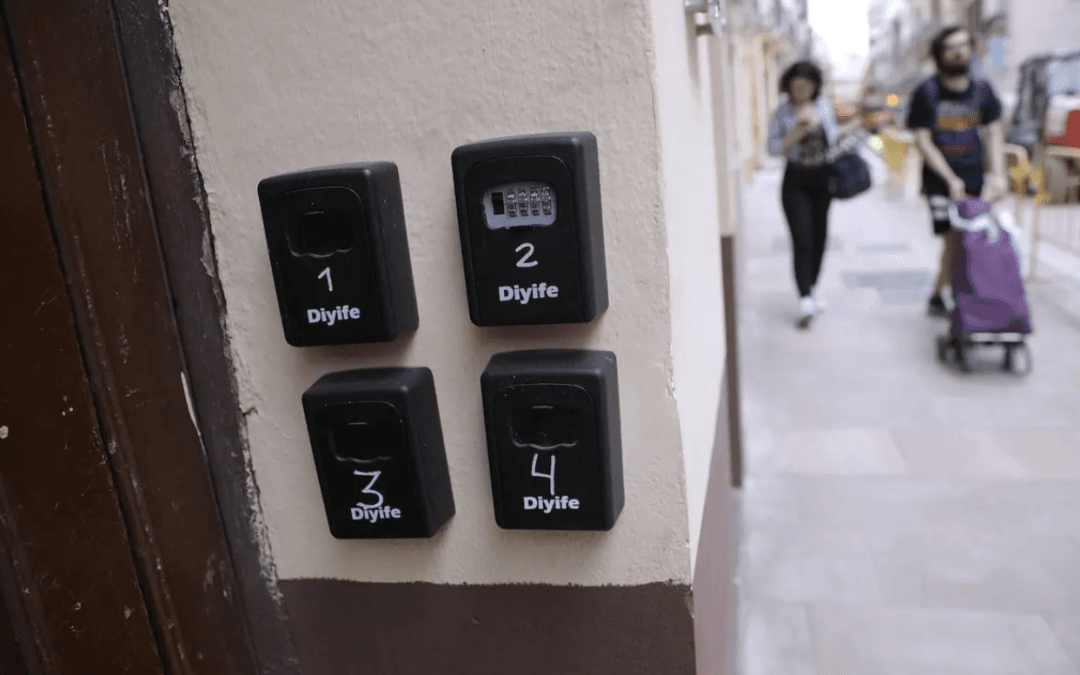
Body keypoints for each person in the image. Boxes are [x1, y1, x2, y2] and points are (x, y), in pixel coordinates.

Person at [906, 26, 1007, 317]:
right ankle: (956, 296)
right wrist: (950, 179)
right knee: (954, 239)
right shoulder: (927, 92)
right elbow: (922, 139)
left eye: (964, 45)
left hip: (974, 177)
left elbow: (993, 132)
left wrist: (998, 175)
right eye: (952, 47)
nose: (959, 51)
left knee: (968, 239)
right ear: (940, 54)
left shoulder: (983, 91)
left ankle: (941, 295)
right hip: (940, 181)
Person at [767, 60, 862, 328]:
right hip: (795, 178)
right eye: (796, 85)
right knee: (802, 238)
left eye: (807, 85)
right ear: (789, 86)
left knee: (820, 238)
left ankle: (812, 286)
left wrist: (850, 127)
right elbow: (772, 149)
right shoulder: (781, 113)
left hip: (823, 179)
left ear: (814, 86)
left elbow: (832, 138)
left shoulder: (823, 106)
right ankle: (805, 296)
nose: (801, 90)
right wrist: (794, 134)